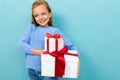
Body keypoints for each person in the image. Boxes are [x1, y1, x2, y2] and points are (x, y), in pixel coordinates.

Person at [18, 0, 80, 80]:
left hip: (49, 72)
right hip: (32, 70)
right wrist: (40, 52)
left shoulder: (55, 32)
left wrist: (77, 61)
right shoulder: (31, 28)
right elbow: (21, 44)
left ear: (49, 14)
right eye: (36, 15)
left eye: (43, 14)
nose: (40, 18)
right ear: (34, 17)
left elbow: (71, 46)